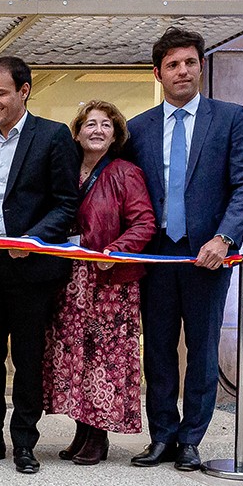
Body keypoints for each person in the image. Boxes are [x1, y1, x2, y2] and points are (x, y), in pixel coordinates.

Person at [126, 26, 243, 471]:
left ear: (200, 66)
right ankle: (162, 435)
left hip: (209, 255)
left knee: (202, 349)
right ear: (157, 73)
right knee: (159, 348)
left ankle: (191, 440)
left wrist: (224, 238)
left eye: (189, 62)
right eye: (172, 65)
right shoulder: (138, 129)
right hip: (157, 255)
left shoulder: (229, 117)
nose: (182, 71)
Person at [0, 56, 78, 475]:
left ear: (24, 91)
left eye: (0, 93)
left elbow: (67, 204)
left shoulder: (54, 136)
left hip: (31, 269)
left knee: (28, 358)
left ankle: (25, 441)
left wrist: (35, 238)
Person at [42, 101, 156, 464]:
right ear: (76, 133)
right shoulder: (66, 170)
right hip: (70, 280)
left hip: (109, 283)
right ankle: (81, 428)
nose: (97, 130)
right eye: (89, 124)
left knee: (103, 358)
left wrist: (114, 251)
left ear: (115, 134)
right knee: (75, 355)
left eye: (105, 125)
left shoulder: (125, 172)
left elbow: (144, 224)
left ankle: (99, 435)